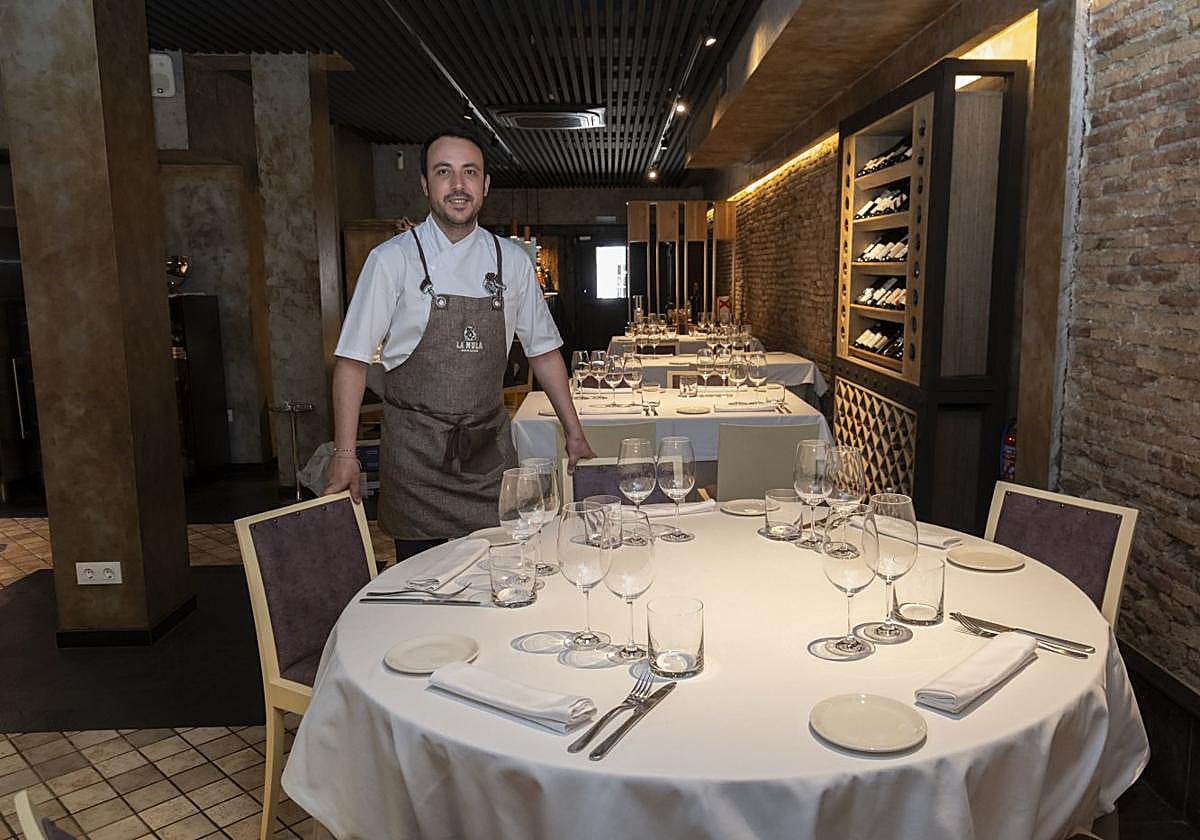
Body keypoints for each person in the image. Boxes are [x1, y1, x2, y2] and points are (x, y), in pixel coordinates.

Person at [324, 128, 594, 558]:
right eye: (444, 172)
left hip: (489, 454)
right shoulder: (391, 260)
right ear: (425, 184)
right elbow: (352, 362)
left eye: (470, 172)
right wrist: (345, 453)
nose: (458, 185)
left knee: (503, 573)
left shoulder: (512, 262)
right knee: (422, 584)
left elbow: (543, 351)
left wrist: (574, 433)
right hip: (415, 454)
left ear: (485, 185)